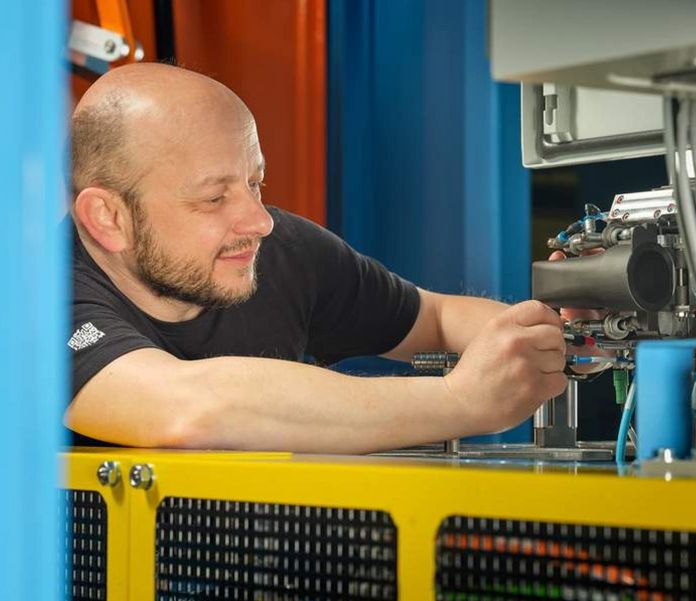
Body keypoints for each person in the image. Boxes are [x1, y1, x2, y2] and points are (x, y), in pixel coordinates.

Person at [65, 63, 572, 453]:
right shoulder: (31, 295)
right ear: (108, 218)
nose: (259, 221)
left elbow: (437, 318)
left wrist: (558, 336)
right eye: (213, 198)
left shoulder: (280, 252)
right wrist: (461, 401)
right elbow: (186, 408)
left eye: (255, 182)